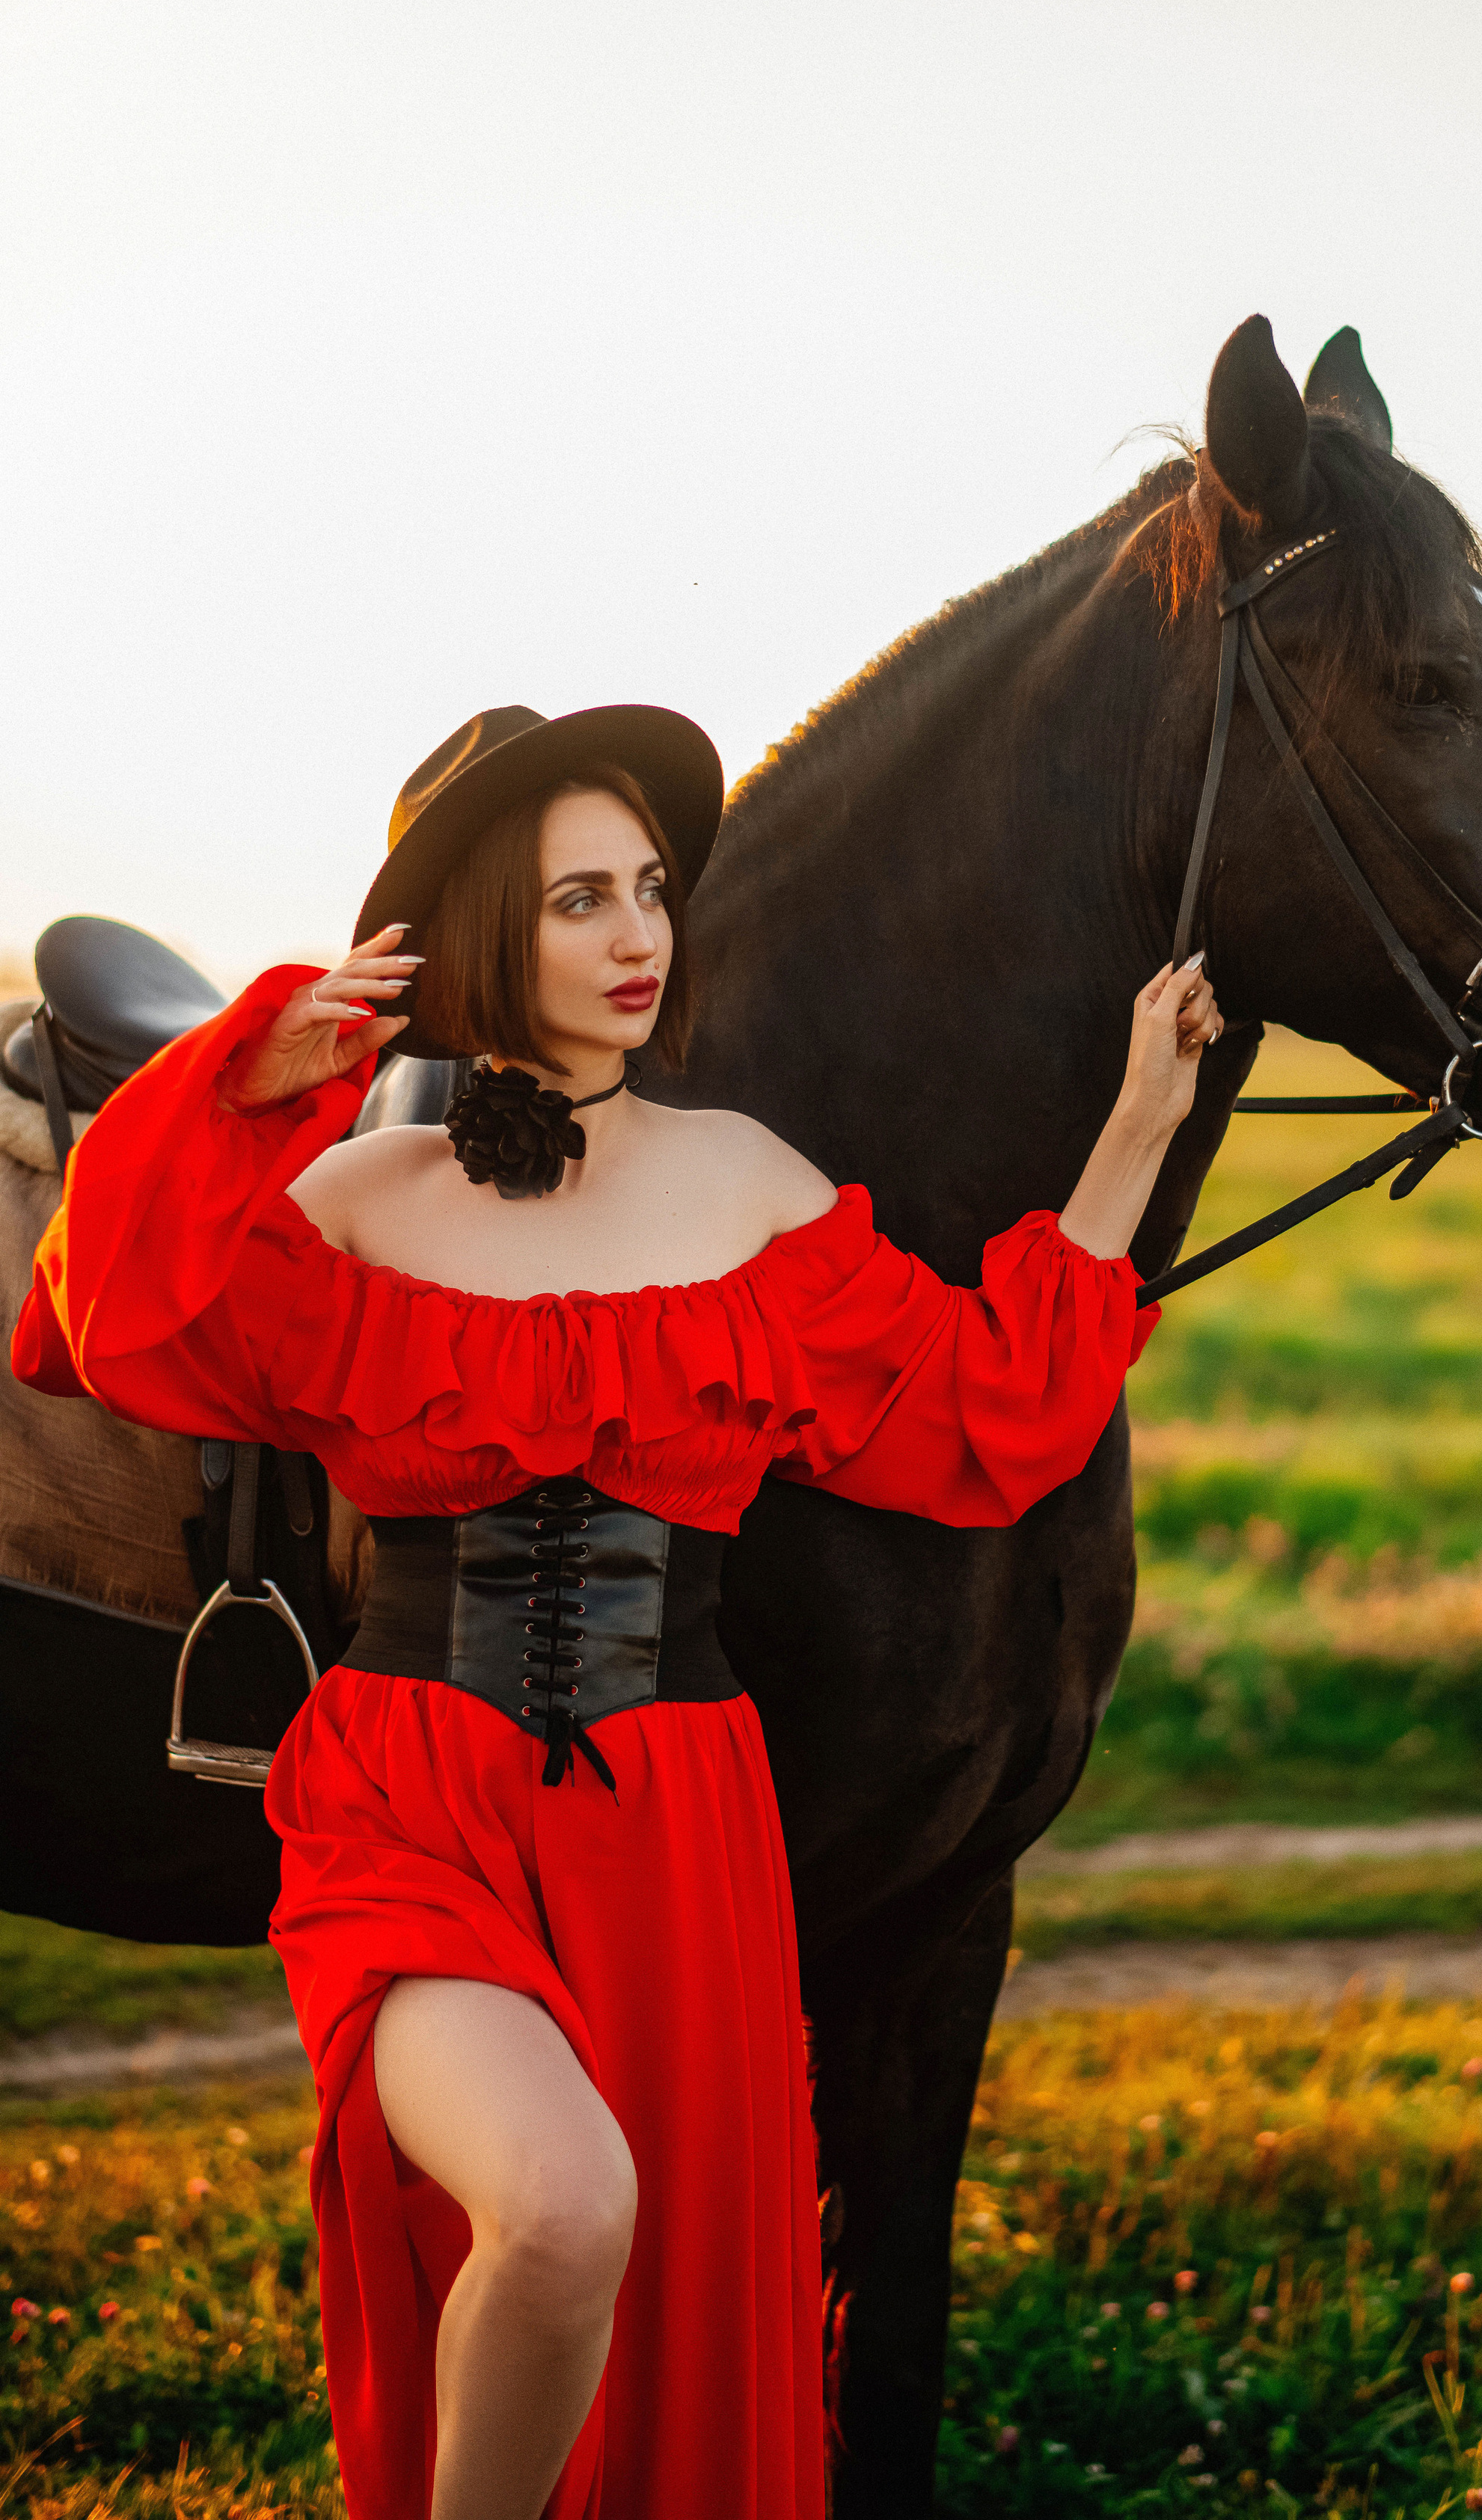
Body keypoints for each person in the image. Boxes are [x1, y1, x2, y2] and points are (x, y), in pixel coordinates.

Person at [11, 701, 1221, 2520]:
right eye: (580, 898)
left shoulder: (746, 1182)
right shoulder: (353, 1200)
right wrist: (259, 1067)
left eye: (650, 888)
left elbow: (984, 1405)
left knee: (652, 2298)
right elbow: (113, 1314)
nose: (639, 935)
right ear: (487, 928)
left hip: (677, 1827)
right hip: (405, 1808)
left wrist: (1130, 1130)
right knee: (565, 2210)